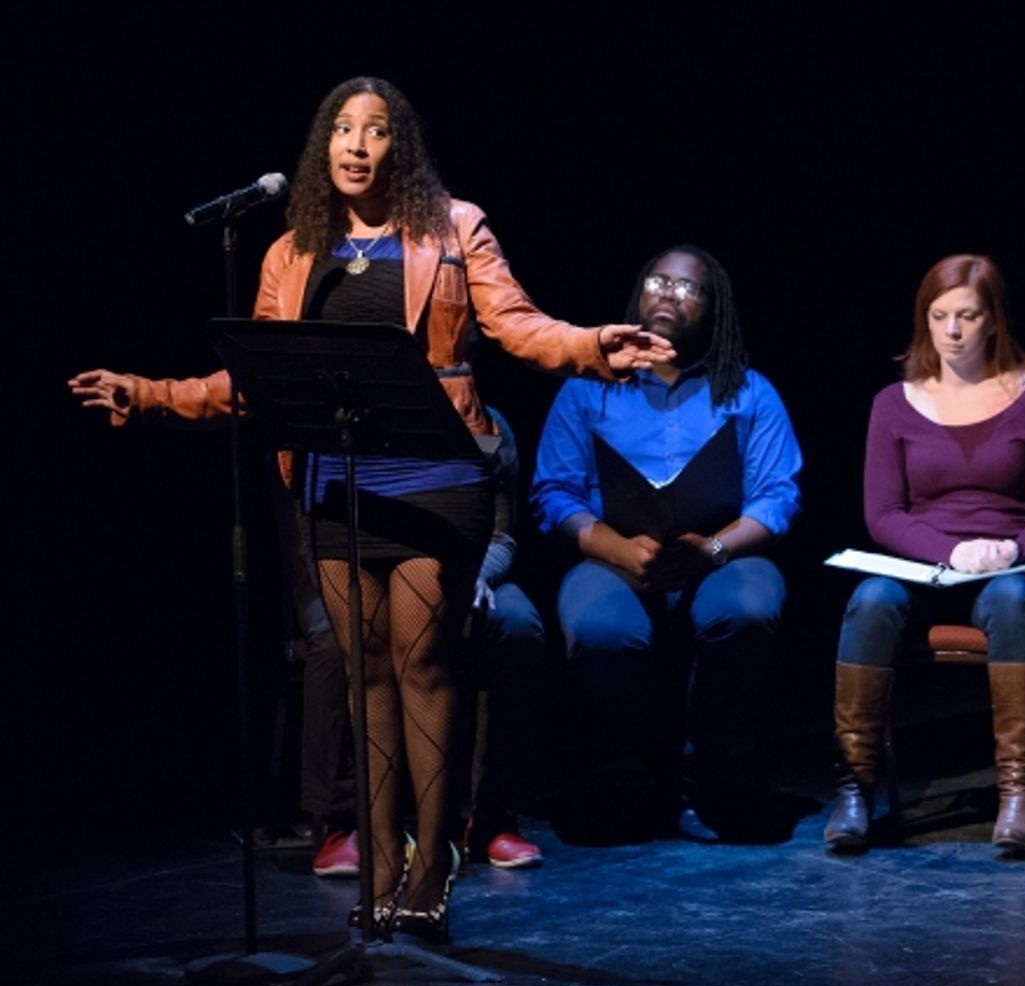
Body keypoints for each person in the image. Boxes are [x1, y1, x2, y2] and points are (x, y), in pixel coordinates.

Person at [69, 76, 671, 941]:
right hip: (335, 477)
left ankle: (435, 858)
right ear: (324, 146)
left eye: (376, 129)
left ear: (401, 147)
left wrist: (590, 345)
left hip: (435, 470)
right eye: (343, 129)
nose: (356, 144)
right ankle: (382, 859)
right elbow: (254, 377)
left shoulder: (455, 227)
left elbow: (518, 324)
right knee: (368, 670)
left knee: (423, 661)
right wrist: (154, 392)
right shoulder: (290, 251)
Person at [531, 244, 802, 843]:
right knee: (598, 627)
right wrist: (615, 547)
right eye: (658, 281)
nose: (668, 294)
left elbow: (777, 497)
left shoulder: (749, 392)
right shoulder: (588, 388)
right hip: (618, 556)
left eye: (687, 287)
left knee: (748, 609)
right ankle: (648, 776)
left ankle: (710, 778)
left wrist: (712, 550)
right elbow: (554, 491)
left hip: (721, 557)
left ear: (714, 308)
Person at [825, 254, 1025, 855]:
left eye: (968, 316)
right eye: (939, 317)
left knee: (1013, 599)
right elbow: (883, 513)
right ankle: (853, 788)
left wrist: (1012, 548)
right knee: (871, 599)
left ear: (994, 320)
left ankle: (1018, 792)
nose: (953, 331)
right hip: (923, 566)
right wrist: (951, 552)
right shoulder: (893, 402)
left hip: (1005, 567)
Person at [456, 405, 547, 869]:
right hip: (395, 572)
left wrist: (475, 575)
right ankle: (357, 821)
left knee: (516, 624)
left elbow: (502, 536)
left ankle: (494, 814)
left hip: (476, 571)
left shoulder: (489, 424)